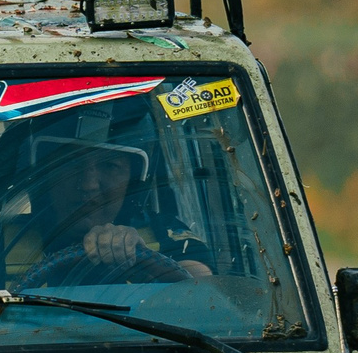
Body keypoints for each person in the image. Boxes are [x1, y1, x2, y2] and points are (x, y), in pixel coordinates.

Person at [12, 111, 212, 288]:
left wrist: (146, 268)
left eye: (109, 165)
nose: (88, 184)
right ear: (46, 175)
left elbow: (204, 293)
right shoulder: (0, 243)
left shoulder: (165, 235)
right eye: (70, 164)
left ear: (133, 181)